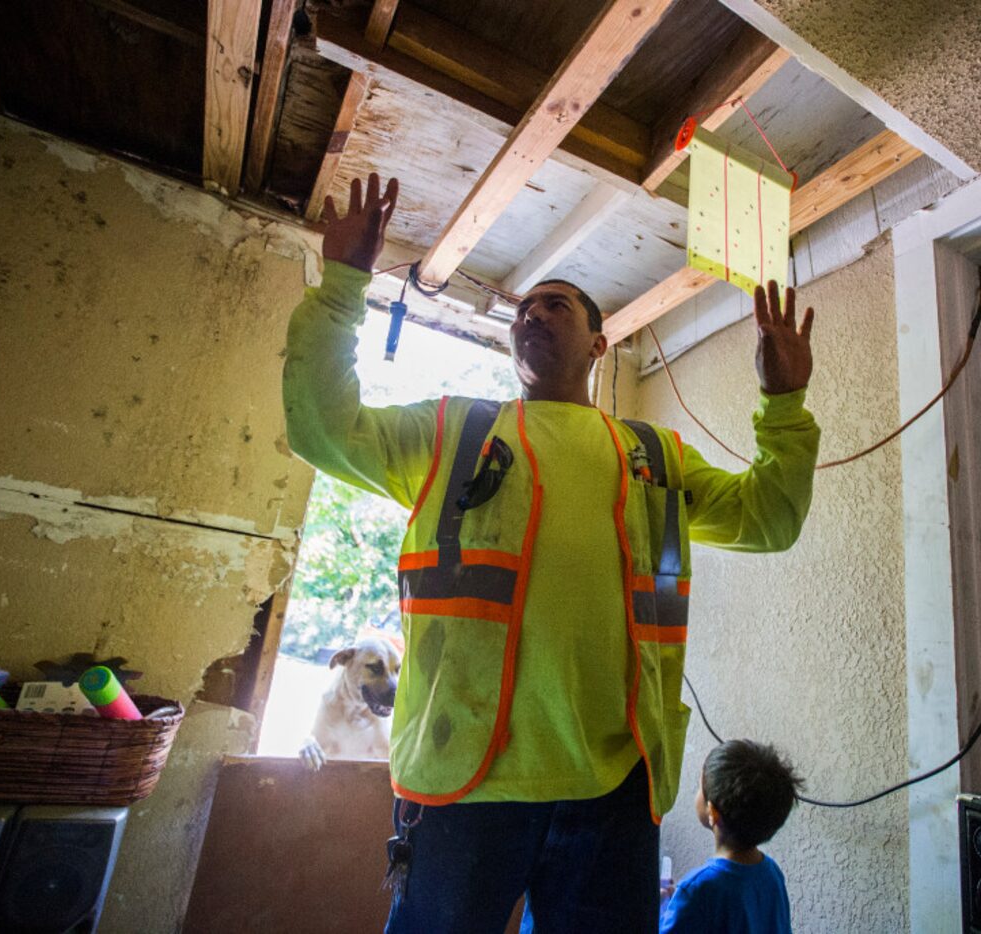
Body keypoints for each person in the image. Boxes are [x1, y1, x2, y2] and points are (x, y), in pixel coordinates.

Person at [281, 173, 821, 934]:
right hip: (466, 786)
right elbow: (321, 427)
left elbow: (770, 519)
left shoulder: (653, 458)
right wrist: (342, 288)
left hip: (614, 791)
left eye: (555, 305)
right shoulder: (453, 436)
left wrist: (784, 405)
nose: (532, 315)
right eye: (523, 310)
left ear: (600, 344)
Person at [660, 740, 804, 934]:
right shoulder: (772, 874)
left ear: (712, 812)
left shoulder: (697, 889)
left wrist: (664, 909)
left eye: (700, 788)